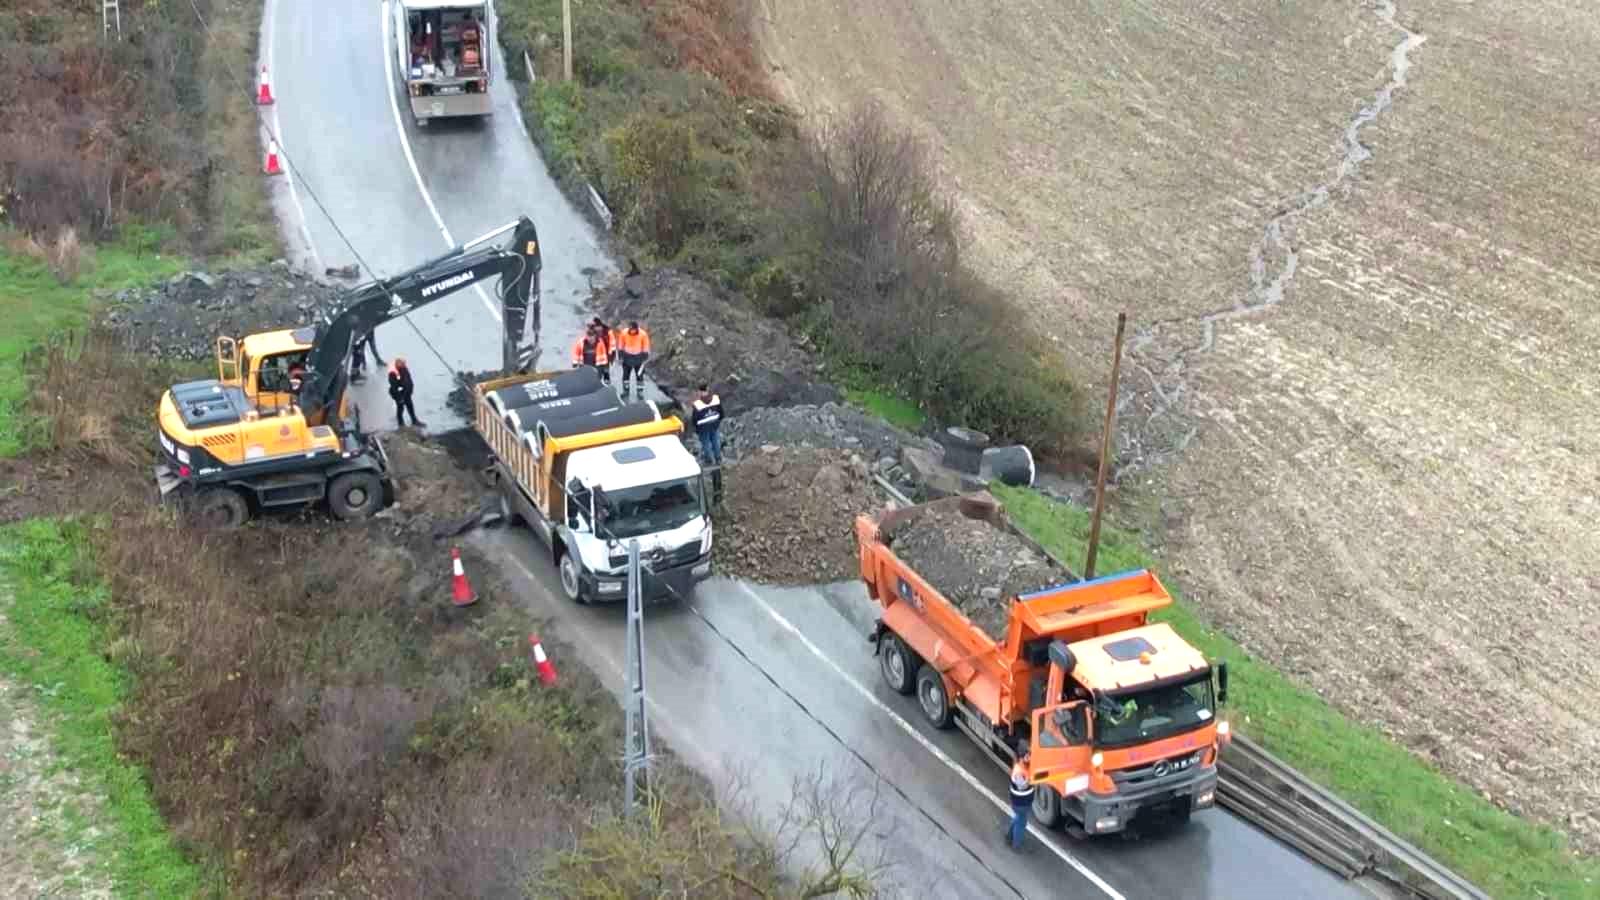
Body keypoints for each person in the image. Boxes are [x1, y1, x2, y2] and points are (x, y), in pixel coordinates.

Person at [1007, 750, 1034, 851]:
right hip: (1020, 803)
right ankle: (1016, 845)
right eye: (1027, 756)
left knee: (1018, 818)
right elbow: (1022, 786)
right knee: (1021, 823)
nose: (1029, 758)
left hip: (1021, 802)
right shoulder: (1019, 771)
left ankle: (1009, 836)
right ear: (1021, 758)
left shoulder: (1024, 767)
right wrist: (1032, 780)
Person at [616, 320, 651, 397]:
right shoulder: (624, 333)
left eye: (633, 330)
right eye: (630, 329)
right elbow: (621, 345)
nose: (632, 331)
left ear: (636, 328)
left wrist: (645, 358)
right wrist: (620, 357)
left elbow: (646, 347)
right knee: (626, 375)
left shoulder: (643, 334)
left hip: (638, 358)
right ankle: (625, 391)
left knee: (639, 375)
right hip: (626, 357)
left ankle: (640, 392)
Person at [387, 357, 424, 428]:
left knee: (410, 406)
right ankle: (401, 423)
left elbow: (408, 380)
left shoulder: (404, 369)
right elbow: (394, 387)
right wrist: (399, 398)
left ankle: (414, 420)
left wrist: (410, 390)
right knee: (400, 407)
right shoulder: (393, 373)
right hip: (399, 393)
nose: (404, 365)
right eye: (402, 364)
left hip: (406, 392)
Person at [590, 317, 615, 385]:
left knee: (606, 372)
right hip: (595, 357)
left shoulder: (608, 331)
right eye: (596, 327)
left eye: (598, 326)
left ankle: (607, 386)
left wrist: (612, 355)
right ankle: (597, 388)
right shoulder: (590, 331)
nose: (598, 329)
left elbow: (613, 344)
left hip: (606, 356)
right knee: (597, 374)